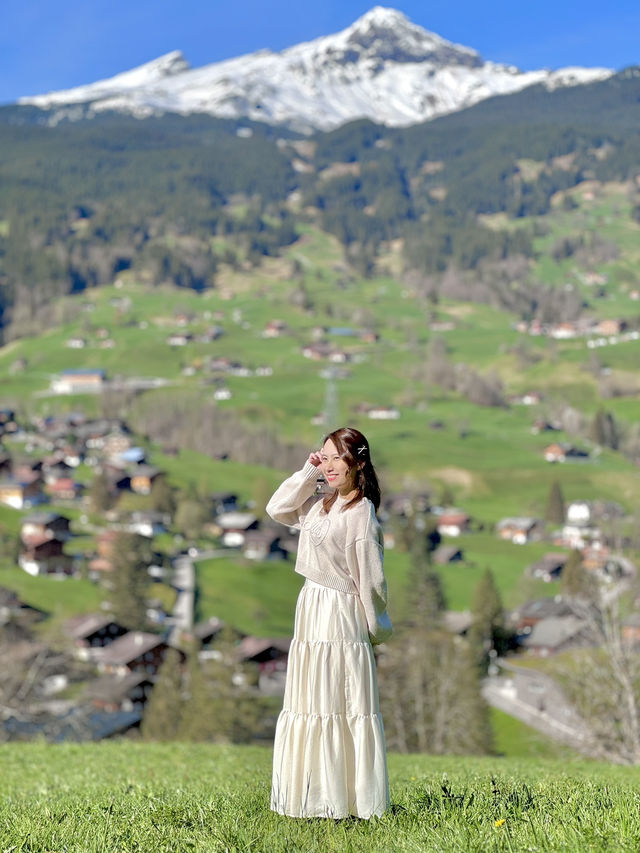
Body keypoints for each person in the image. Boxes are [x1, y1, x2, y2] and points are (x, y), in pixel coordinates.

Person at [266, 426, 392, 819]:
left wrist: (374, 631)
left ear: (359, 462)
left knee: (339, 703)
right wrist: (308, 471)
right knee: (311, 703)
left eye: (338, 457)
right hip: (311, 611)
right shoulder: (320, 504)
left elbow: (370, 581)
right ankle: (312, 799)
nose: (330, 465)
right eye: (325, 456)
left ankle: (347, 803)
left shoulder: (360, 514)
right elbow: (277, 508)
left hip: (340, 616)